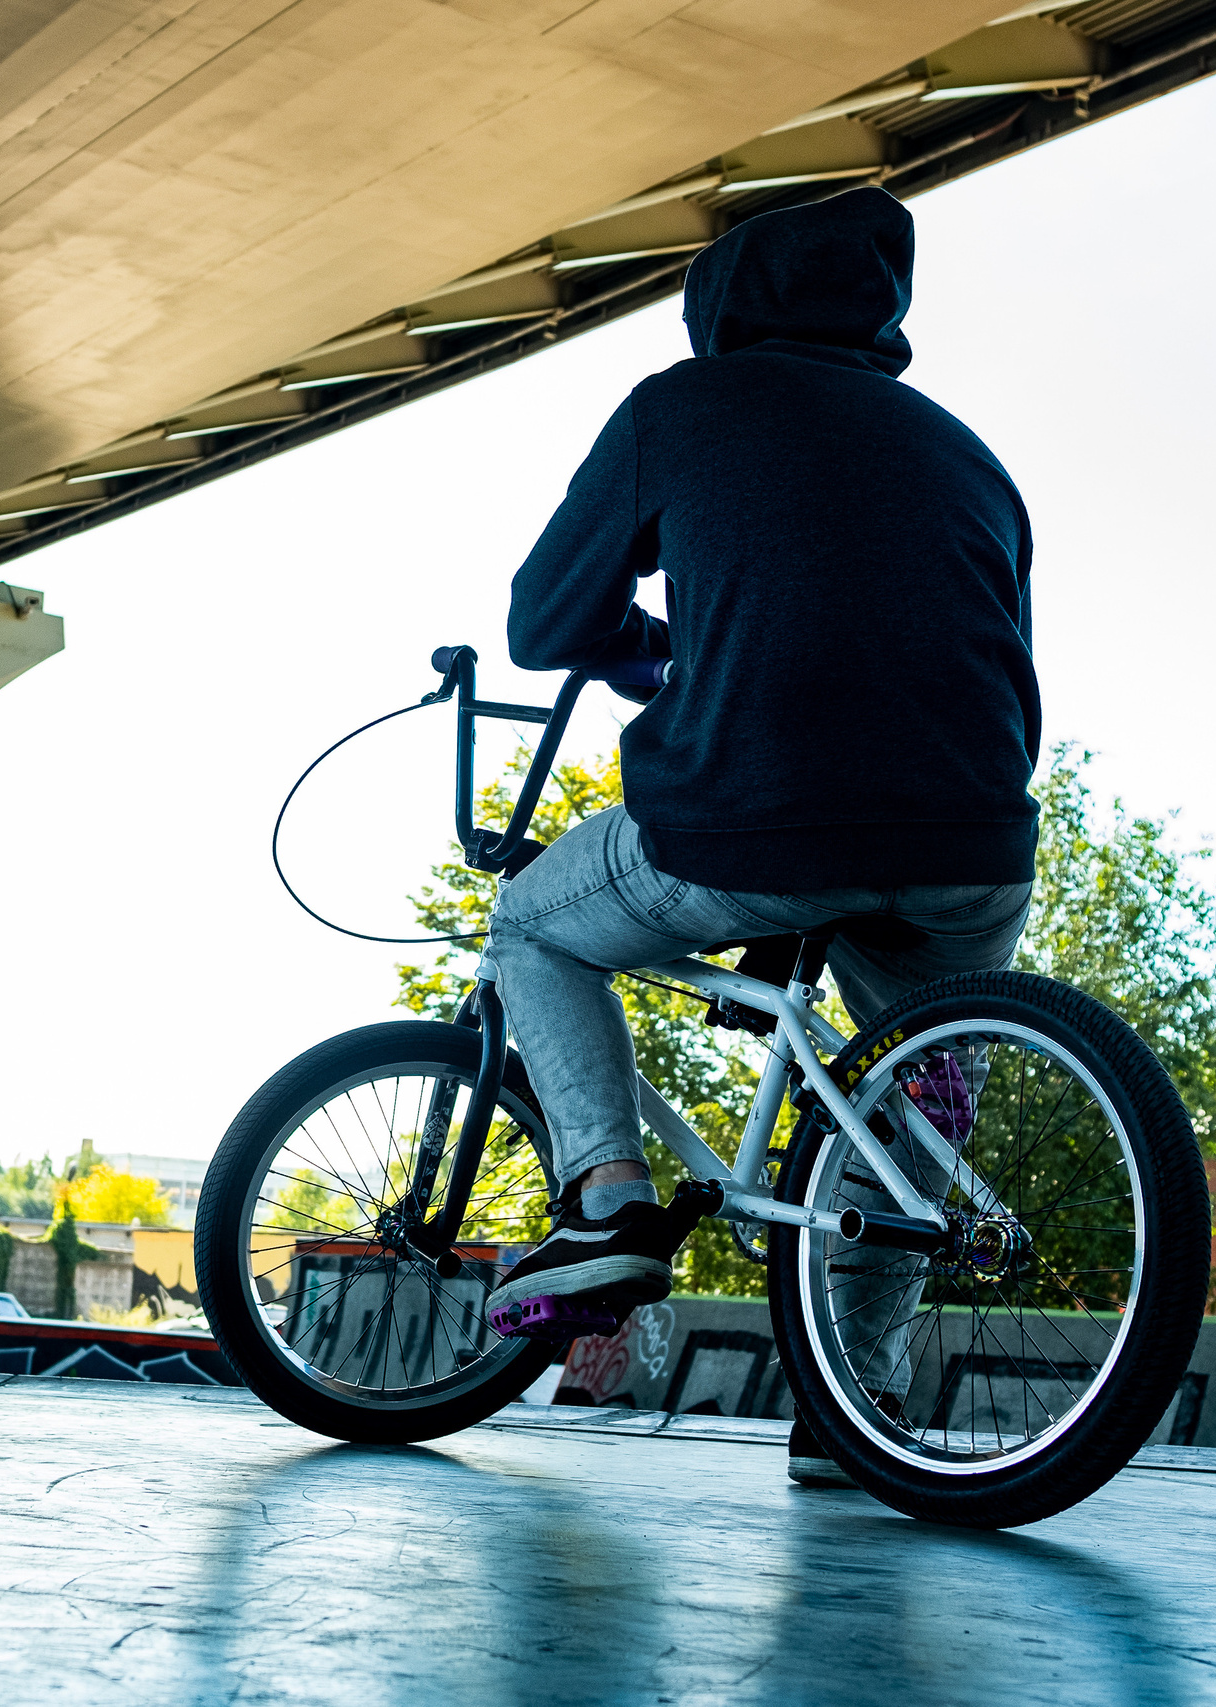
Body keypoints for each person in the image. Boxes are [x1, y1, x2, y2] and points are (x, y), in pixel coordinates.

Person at [480, 189, 1041, 1328]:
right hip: (973, 838)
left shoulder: (682, 408)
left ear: (718, 304)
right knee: (915, 1096)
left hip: (765, 813)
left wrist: (653, 654)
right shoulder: (971, 457)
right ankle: (859, 1410)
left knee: (533, 926)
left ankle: (606, 1207)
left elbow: (544, 625)